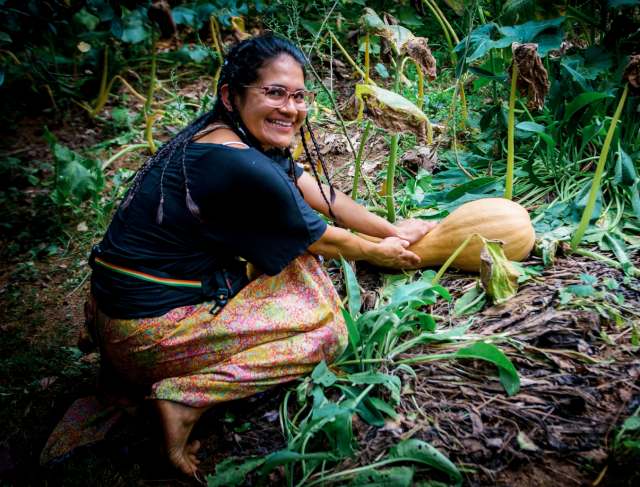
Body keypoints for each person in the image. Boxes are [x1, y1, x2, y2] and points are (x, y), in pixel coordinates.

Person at [86, 33, 435, 476]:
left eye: (298, 96)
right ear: (231, 96)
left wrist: (391, 230)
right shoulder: (238, 163)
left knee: (285, 259)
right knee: (328, 333)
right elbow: (323, 239)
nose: (289, 108)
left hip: (115, 316)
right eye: (274, 93)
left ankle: (132, 375)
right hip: (145, 337)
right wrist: (381, 252)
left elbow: (322, 194)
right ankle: (183, 399)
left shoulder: (226, 137)